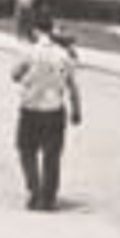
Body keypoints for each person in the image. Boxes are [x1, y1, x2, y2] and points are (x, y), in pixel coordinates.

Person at [11, 14, 81, 211]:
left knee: (27, 151)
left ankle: (34, 190)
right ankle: (48, 198)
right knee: (52, 155)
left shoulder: (29, 52)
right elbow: (72, 85)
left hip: (31, 109)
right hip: (54, 110)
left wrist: (28, 77)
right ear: (51, 30)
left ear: (35, 30)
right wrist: (76, 110)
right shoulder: (64, 54)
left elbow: (14, 75)